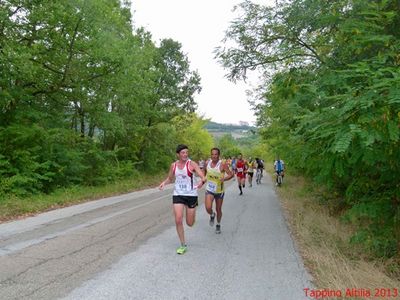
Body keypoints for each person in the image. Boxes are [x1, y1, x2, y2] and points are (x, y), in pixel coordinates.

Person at [159, 144, 206, 254]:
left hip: (191, 195)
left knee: (190, 223)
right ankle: (183, 244)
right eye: (183, 153)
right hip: (178, 194)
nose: (185, 154)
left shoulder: (192, 164)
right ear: (178, 154)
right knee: (178, 219)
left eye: (186, 152)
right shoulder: (173, 165)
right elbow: (170, 178)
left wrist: (202, 181)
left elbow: (202, 175)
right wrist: (163, 183)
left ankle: (192, 216)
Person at [204, 147, 234, 234]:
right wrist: (203, 179)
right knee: (208, 207)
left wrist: (224, 179)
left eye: (216, 154)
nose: (214, 156)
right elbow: (204, 173)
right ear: (210, 155)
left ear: (218, 155)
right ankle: (212, 215)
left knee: (218, 209)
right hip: (209, 189)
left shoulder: (223, 165)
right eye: (212, 154)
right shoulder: (207, 163)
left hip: (219, 191)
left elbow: (231, 174)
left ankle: (218, 224)